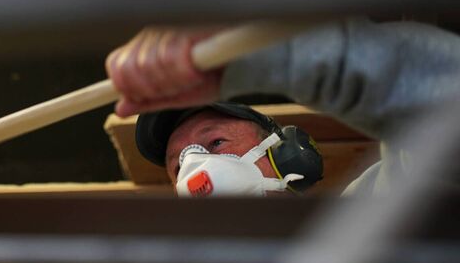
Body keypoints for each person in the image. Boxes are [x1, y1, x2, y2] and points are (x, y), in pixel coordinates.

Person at [106, 18, 460, 195]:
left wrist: (246, 54)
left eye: (215, 143)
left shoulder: (377, 210)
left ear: (289, 154)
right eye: (178, 166)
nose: (194, 172)